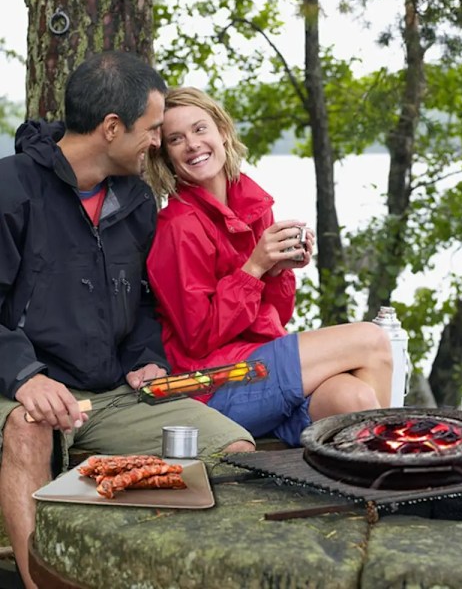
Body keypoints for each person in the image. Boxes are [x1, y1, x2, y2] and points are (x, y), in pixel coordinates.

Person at [0, 53, 254, 589]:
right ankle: (35, 581)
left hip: (109, 392)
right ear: (112, 128)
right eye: (154, 129)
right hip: (19, 385)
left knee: (233, 450)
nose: (159, 142)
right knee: (27, 433)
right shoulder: (11, 189)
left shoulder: (136, 199)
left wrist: (145, 358)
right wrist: (26, 376)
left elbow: (140, 302)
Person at [145, 87, 393, 451]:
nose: (192, 144)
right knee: (372, 341)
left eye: (200, 130)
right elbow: (197, 337)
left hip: (260, 374)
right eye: (176, 139)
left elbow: (278, 314)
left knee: (352, 398)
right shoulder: (177, 226)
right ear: (166, 156)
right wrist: (254, 268)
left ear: (223, 132)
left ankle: (361, 484)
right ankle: (398, 477)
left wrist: (278, 272)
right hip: (211, 387)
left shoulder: (253, 205)